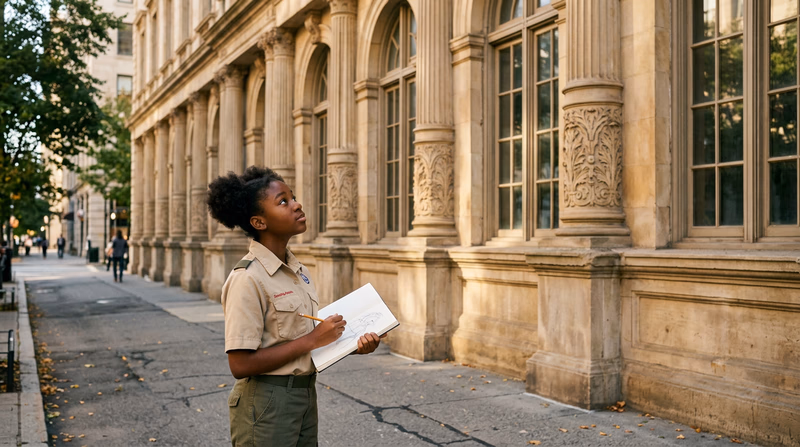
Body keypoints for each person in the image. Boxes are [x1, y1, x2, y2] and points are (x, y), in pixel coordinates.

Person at [207, 166, 384, 446]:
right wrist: (313, 339)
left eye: (293, 197)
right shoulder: (247, 278)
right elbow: (239, 364)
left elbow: (304, 343)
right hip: (267, 403)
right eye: (283, 201)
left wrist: (353, 342)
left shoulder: (298, 270)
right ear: (259, 222)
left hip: (304, 396)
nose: (297, 204)